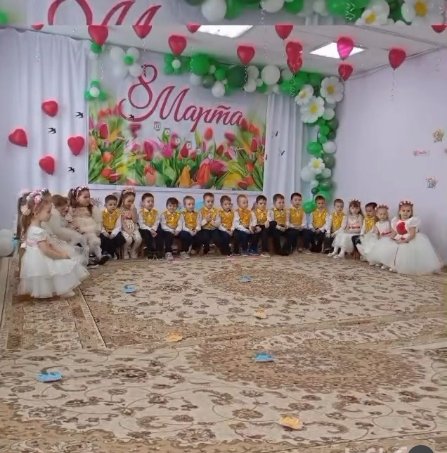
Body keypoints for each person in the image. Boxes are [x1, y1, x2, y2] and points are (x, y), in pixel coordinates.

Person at [18, 190, 89, 298]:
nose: (51, 214)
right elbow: (46, 251)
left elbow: (46, 246)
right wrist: (61, 255)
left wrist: (57, 249)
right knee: (61, 266)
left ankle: (52, 288)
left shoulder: (32, 228)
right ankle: (63, 289)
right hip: (41, 259)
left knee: (52, 271)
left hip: (35, 259)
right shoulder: (37, 231)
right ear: (36, 213)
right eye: (48, 211)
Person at [373, 200, 442, 274]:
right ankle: (389, 264)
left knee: (402, 251)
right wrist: (390, 238)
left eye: (408, 211)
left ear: (411, 213)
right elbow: (395, 232)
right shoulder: (396, 221)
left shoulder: (411, 221)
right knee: (390, 248)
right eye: (403, 210)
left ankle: (397, 266)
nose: (405, 213)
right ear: (399, 212)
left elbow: (412, 234)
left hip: (408, 239)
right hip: (399, 238)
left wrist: (404, 241)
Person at [69, 186, 109, 265]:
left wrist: (97, 230)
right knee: (84, 245)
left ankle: (99, 256)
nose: (88, 199)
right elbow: (69, 221)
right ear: (77, 198)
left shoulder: (92, 208)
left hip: (91, 231)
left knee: (95, 242)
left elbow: (98, 221)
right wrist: (74, 229)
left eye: (89, 197)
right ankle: (86, 259)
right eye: (85, 197)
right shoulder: (72, 209)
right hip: (78, 232)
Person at [118, 188, 142, 259]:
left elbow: (135, 221)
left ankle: (133, 251)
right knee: (129, 240)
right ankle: (125, 251)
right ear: (123, 200)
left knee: (139, 239)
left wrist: (133, 211)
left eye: (132, 201)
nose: (131, 203)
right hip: (124, 228)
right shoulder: (119, 210)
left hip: (134, 227)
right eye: (129, 201)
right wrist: (128, 231)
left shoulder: (133, 209)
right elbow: (122, 222)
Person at [100, 194, 126, 259]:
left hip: (114, 231)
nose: (113, 206)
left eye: (115, 204)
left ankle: (111, 253)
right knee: (103, 238)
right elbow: (100, 224)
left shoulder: (117, 213)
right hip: (105, 230)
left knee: (119, 238)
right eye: (110, 205)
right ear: (105, 205)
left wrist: (113, 234)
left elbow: (118, 226)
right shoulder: (102, 213)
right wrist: (104, 232)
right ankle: (105, 252)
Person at [138, 193, 162, 259]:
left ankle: (159, 251)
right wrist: (150, 230)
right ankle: (150, 251)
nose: (151, 203)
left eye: (152, 201)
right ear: (143, 203)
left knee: (160, 231)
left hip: (154, 228)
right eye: (148, 201)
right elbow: (141, 224)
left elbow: (157, 222)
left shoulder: (156, 212)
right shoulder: (140, 213)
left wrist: (153, 229)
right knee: (146, 233)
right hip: (145, 229)